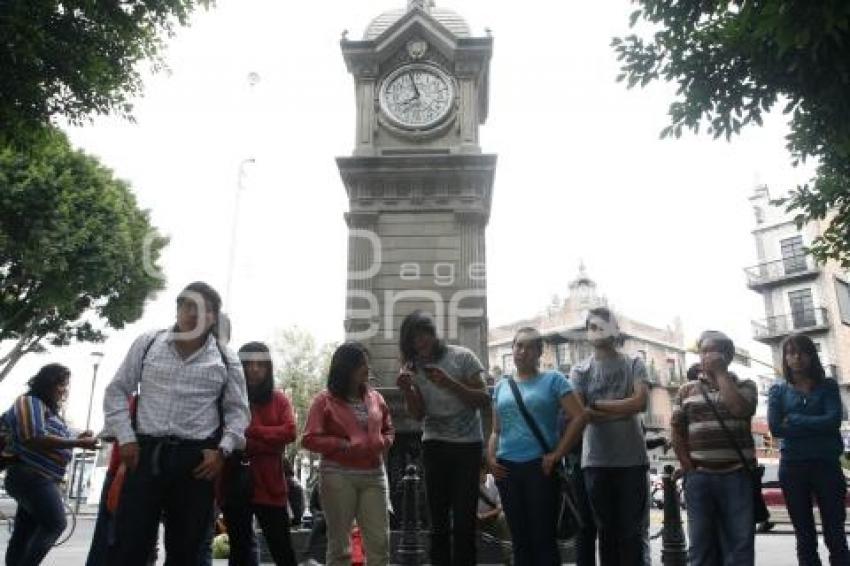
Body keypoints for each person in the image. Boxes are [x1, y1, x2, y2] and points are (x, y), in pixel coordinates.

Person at [103, 281, 250, 565]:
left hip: (196, 462)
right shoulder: (147, 344)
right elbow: (117, 390)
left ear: (213, 318)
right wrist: (126, 438)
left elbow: (238, 412)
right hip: (144, 454)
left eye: (205, 310)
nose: (195, 314)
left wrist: (222, 451)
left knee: (186, 550)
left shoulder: (226, 358)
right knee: (128, 544)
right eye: (189, 306)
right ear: (178, 309)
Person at [396, 310, 491, 566]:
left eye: (424, 334)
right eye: (414, 338)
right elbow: (418, 414)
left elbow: (484, 399)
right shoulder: (412, 367)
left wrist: (451, 384)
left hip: (467, 446)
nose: (421, 342)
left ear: (433, 333)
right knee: (436, 523)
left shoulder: (462, 357)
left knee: (464, 522)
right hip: (434, 445)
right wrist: (407, 390)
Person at [488, 327, 586, 565]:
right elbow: (495, 430)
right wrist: (490, 459)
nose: (522, 351)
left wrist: (557, 454)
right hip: (506, 469)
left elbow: (580, 416)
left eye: (529, 346)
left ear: (539, 352)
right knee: (519, 539)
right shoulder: (502, 386)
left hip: (540, 467)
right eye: (518, 345)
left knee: (543, 539)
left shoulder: (553, 380)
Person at [302, 342, 395, 566]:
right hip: (338, 475)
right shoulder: (323, 400)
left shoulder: (376, 398)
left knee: (380, 543)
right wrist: (341, 444)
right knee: (340, 547)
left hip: (374, 475)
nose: (367, 368)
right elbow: (308, 438)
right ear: (346, 368)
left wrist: (382, 441)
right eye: (361, 364)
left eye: (367, 363)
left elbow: (389, 429)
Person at [570, 307, 650, 566]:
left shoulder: (635, 363)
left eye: (604, 325)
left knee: (632, 532)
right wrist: (622, 409)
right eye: (592, 326)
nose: (598, 331)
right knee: (605, 532)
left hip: (632, 460)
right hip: (595, 461)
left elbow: (640, 403)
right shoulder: (580, 370)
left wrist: (600, 406)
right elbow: (582, 414)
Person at [670, 330, 758, 566]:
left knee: (740, 548)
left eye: (712, 350)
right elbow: (677, 430)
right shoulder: (685, 390)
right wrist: (689, 467)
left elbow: (740, 410)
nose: (705, 356)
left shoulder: (745, 385)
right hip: (700, 477)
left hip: (737, 475)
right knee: (701, 547)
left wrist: (720, 374)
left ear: (727, 355)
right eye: (703, 351)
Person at [2, 363, 98, 565]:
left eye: (66, 385)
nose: (64, 389)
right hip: (31, 475)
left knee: (23, 533)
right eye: (60, 383)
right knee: (56, 523)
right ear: (47, 382)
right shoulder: (29, 401)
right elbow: (33, 437)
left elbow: (52, 438)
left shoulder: (48, 410)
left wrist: (78, 437)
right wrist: (78, 442)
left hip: (37, 477)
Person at [768, 334, 850, 566]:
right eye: (791, 352)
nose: (797, 357)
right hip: (794, 468)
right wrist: (816, 424)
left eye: (803, 352)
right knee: (804, 536)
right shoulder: (778, 390)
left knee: (835, 532)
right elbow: (776, 428)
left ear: (812, 355)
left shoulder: (828, 386)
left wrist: (794, 418)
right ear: (785, 358)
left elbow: (833, 420)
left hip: (827, 466)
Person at [221, 341, 298, 566]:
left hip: (271, 486)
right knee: (240, 550)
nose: (254, 369)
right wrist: (271, 443)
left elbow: (290, 432)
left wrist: (250, 433)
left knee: (282, 549)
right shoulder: (229, 399)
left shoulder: (279, 399)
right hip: (235, 481)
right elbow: (228, 437)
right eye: (248, 364)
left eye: (260, 364)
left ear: (268, 368)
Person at [476, 462, 513, 566]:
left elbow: (501, 506)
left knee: (504, 517)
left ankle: (508, 557)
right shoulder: (466, 483)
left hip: (493, 519)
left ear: (483, 470)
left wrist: (485, 515)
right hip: (474, 520)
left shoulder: (494, 481)